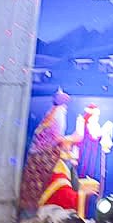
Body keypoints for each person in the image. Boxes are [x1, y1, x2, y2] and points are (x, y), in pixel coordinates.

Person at [18, 88, 72, 216]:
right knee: (36, 187)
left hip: (38, 153)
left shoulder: (54, 112)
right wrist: (72, 138)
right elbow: (56, 137)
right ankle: (30, 214)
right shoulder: (58, 113)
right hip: (44, 154)